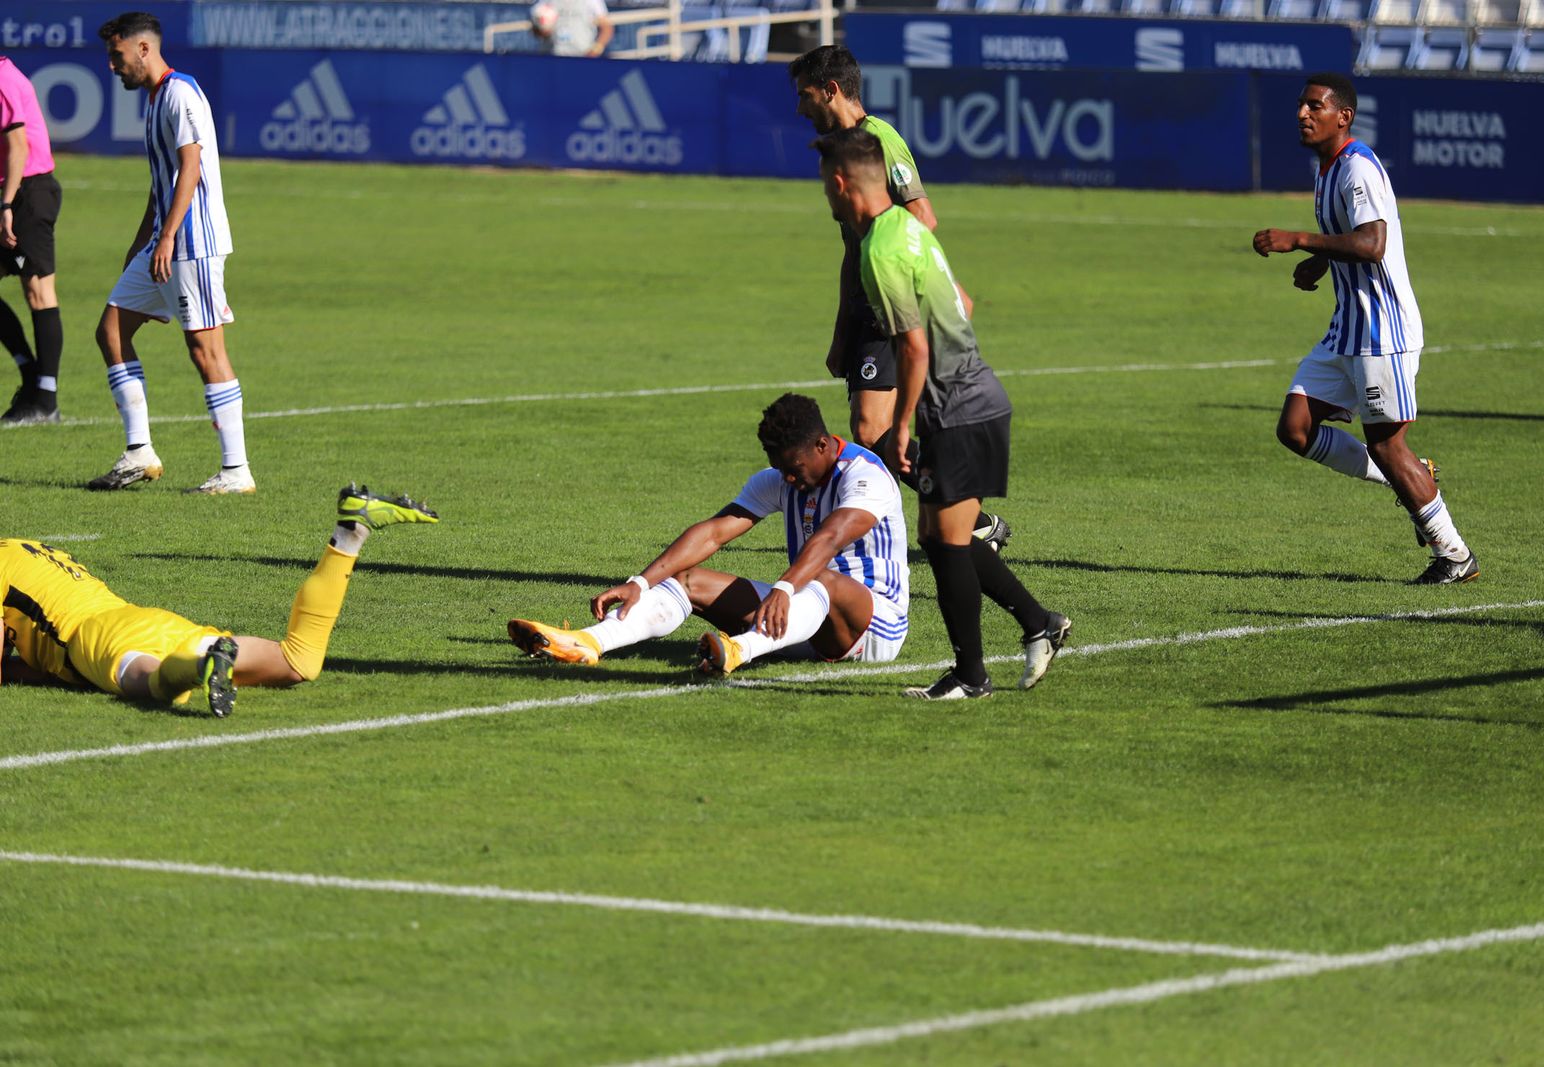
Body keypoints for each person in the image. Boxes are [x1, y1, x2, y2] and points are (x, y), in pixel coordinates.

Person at [815, 128, 1070, 700]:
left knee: (947, 542)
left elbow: (913, 348)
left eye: (825, 185)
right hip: (974, 396)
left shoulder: (879, 250)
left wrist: (904, 423)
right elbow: (964, 302)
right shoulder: (909, 228)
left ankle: (976, 672)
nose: (825, 196)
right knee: (938, 536)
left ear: (842, 184)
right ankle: (1035, 627)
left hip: (957, 408)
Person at [1252, 73, 1477, 585]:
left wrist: (1300, 240)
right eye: (1301, 105)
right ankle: (1413, 478)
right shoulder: (1327, 169)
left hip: (1382, 330)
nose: (1302, 114)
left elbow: (1373, 243)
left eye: (1315, 106)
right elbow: (1348, 238)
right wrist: (1320, 262)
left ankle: (1455, 555)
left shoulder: (1357, 167)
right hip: (1347, 328)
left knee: (1386, 446)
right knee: (1295, 428)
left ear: (1343, 117)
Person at [508, 393, 909, 679]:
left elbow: (831, 537)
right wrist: (640, 583)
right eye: (780, 469)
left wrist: (785, 587)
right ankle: (587, 642)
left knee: (822, 578)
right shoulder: (781, 479)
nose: (788, 478)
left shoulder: (865, 475)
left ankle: (739, 650)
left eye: (794, 468)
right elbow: (713, 533)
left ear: (822, 445)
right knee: (686, 580)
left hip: (874, 627)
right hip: (801, 617)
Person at [788, 45, 1011, 553]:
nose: (799, 109)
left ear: (831, 91)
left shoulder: (880, 141)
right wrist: (841, 332)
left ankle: (966, 517)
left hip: (891, 301)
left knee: (871, 430)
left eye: (805, 96)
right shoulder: (843, 150)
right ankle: (967, 519)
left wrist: (906, 281)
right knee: (872, 431)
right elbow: (852, 251)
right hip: (867, 305)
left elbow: (923, 216)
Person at [1, 485, 438, 716]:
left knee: (153, 687)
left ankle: (200, 666)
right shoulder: (22, 547)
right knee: (298, 662)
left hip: (94, 639)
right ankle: (351, 533)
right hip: (148, 620)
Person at [88, 12, 253, 494]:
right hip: (165, 240)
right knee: (111, 330)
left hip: (192, 243)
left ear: (143, 49)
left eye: (117, 55)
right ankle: (139, 453)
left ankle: (236, 471)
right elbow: (160, 183)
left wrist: (167, 237)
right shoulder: (156, 99)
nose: (112, 66)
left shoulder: (180, 92)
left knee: (205, 350)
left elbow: (190, 167)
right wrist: (143, 240)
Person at [0, 54, 64, 427]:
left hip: (28, 194)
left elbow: (19, 147)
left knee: (38, 291)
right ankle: (30, 376)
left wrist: (6, 205)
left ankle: (46, 399)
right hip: (11, 194)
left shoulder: (3, 79)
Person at [530, 0, 613, 57]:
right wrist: (543, 31)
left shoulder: (592, 1)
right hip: (553, 55)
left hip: (581, 55)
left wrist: (595, 49)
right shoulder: (545, 2)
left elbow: (606, 28)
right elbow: (536, 28)